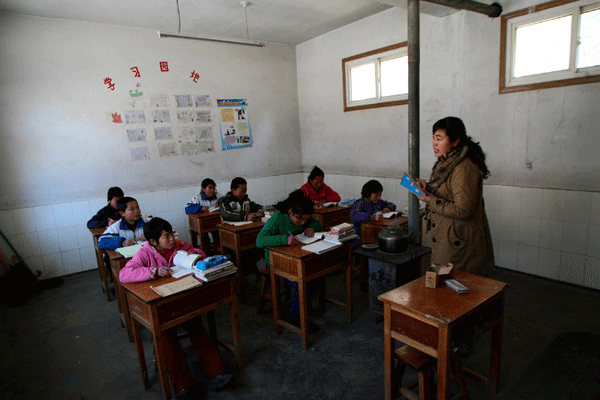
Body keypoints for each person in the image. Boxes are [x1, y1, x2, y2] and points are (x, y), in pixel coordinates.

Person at [119, 217, 231, 398]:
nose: (171, 239)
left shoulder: (179, 244)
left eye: (171, 234)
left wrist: (192, 255)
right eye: (166, 237)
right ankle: (184, 385)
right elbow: (124, 274)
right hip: (161, 302)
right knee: (165, 336)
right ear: (153, 242)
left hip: (183, 298)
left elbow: (200, 254)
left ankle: (216, 372)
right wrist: (152, 272)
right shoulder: (145, 253)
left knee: (196, 326)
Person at [416, 116, 494, 277]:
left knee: (456, 289)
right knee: (445, 289)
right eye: (433, 138)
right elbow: (449, 191)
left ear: (456, 141)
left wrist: (431, 200)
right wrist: (428, 188)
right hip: (449, 238)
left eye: (439, 138)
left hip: (460, 244)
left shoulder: (464, 168)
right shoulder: (448, 162)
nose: (434, 143)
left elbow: (463, 210)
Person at [255, 190, 322, 327]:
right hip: (277, 261)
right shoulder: (278, 217)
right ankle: (295, 317)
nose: (302, 222)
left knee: (316, 276)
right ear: (290, 212)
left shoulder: (304, 216)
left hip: (297, 256)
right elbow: (260, 241)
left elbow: (317, 224)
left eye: (306, 219)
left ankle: (300, 305)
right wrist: (283, 239)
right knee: (304, 283)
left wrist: (310, 227)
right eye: (300, 219)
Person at [350, 180, 396, 248]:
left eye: (380, 194)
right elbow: (354, 216)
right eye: (376, 195)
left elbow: (392, 205)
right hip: (361, 234)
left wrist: (388, 208)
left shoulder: (379, 202)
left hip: (374, 232)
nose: (379, 197)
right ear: (368, 194)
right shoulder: (360, 203)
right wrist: (372, 217)